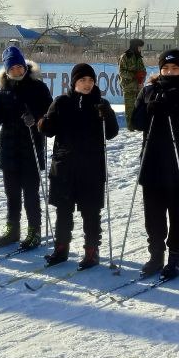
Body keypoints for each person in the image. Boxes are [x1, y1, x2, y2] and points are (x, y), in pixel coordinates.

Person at [130, 49, 179, 280]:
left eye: (175, 69)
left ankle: (175, 257)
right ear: (159, 69)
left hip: (178, 163)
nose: (170, 72)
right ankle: (156, 255)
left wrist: (174, 112)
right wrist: (149, 109)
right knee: (153, 215)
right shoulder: (148, 91)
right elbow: (135, 122)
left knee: (177, 214)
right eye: (165, 68)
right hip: (152, 161)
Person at [38, 63, 119, 268]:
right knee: (63, 211)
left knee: (91, 212)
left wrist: (107, 115)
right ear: (74, 82)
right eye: (82, 80)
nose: (87, 84)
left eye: (90, 80)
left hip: (91, 168)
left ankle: (91, 252)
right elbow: (48, 130)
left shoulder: (101, 103)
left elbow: (111, 133)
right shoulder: (62, 102)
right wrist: (43, 122)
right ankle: (61, 248)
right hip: (64, 166)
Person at [0, 46, 53, 248]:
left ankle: (34, 231)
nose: (17, 71)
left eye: (20, 67)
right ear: (7, 70)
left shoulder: (38, 87)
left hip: (31, 148)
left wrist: (35, 119)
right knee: (11, 193)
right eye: (12, 68)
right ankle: (13, 229)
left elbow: (50, 114)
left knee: (30, 193)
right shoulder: (2, 89)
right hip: (9, 148)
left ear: (25, 67)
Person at [118, 39, 147, 130]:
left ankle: (138, 125)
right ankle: (131, 127)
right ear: (135, 46)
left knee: (138, 107)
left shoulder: (139, 57)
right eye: (139, 47)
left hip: (138, 86)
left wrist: (141, 79)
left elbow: (143, 70)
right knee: (130, 108)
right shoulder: (125, 56)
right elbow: (121, 72)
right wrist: (134, 75)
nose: (140, 49)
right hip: (129, 86)